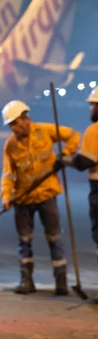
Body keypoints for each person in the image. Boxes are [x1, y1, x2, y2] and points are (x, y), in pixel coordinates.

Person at [0, 100, 79, 295]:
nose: (15, 128)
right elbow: (7, 174)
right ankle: (26, 281)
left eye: (17, 123)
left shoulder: (45, 131)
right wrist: (6, 196)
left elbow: (73, 136)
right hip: (23, 199)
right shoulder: (10, 145)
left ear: (26, 118)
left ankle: (61, 282)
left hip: (46, 193)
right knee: (24, 240)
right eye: (12, 126)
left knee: (54, 238)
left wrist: (65, 155)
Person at [61, 87, 98, 272]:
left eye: (93, 105)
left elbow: (86, 160)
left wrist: (65, 161)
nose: (90, 109)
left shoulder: (93, 130)